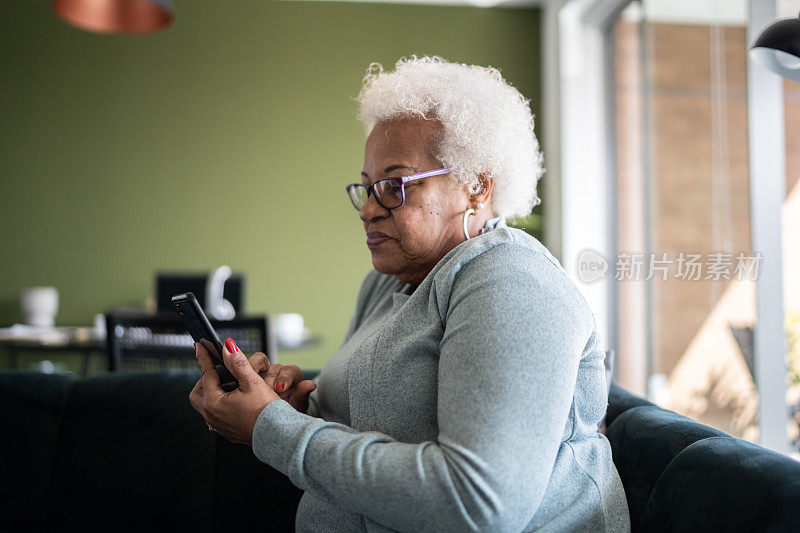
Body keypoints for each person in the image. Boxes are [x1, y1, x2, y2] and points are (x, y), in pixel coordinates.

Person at [189, 56, 630, 532]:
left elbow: (478, 504)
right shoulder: (387, 282)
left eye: (394, 186)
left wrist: (273, 430)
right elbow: (368, 425)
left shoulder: (510, 280)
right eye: (366, 189)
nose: (368, 210)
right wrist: (288, 407)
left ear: (476, 186)